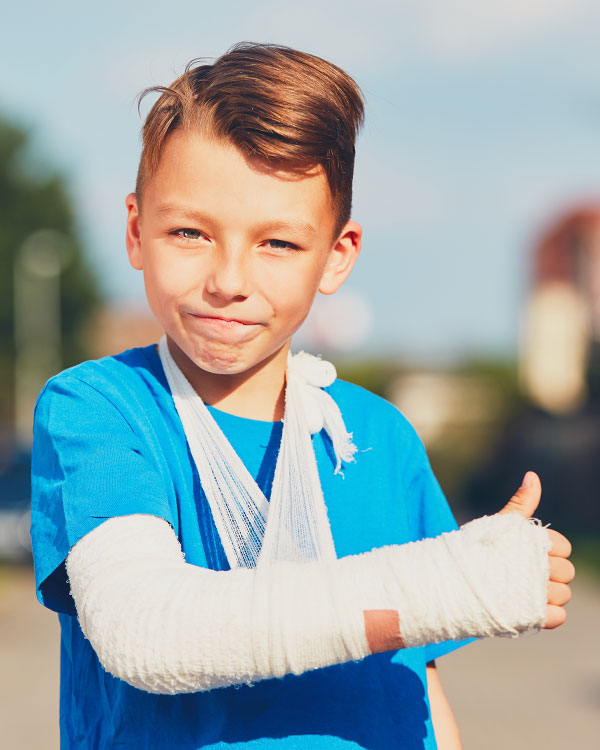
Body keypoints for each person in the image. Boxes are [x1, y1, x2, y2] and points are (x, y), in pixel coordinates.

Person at [30, 43, 574, 750]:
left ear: (338, 255)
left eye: (278, 243)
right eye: (188, 232)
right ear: (136, 231)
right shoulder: (101, 409)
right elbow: (147, 630)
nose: (227, 278)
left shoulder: (381, 439)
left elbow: (419, 689)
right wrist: (446, 585)